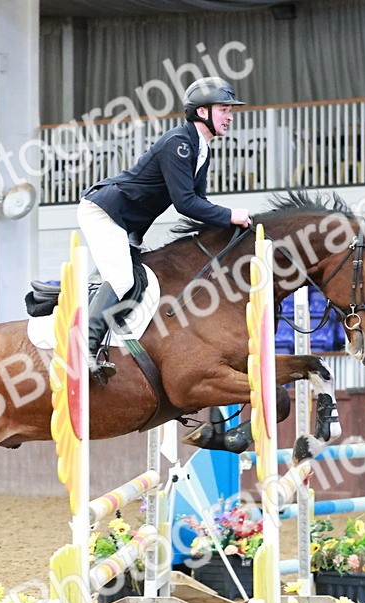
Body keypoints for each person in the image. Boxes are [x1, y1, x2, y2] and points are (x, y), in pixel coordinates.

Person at [77, 76, 252, 383]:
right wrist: (230, 216)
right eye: (224, 109)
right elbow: (185, 203)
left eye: (230, 110)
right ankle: (82, 350)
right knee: (120, 279)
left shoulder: (202, 149)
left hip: (128, 225)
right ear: (202, 112)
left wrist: (226, 228)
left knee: (132, 282)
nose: (230, 116)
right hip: (105, 212)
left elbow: (199, 201)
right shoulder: (179, 145)